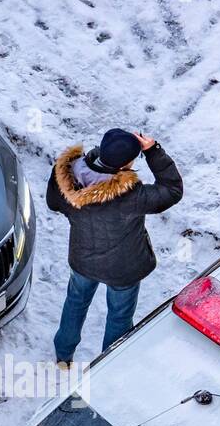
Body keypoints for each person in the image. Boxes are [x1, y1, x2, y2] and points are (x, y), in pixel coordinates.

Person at [46, 128, 184, 364]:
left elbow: (53, 203)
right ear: (126, 164)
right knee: (120, 316)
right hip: (124, 269)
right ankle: (108, 365)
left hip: (82, 260)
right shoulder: (131, 195)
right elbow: (172, 190)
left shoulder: (68, 178)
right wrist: (153, 151)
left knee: (75, 302)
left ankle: (63, 355)